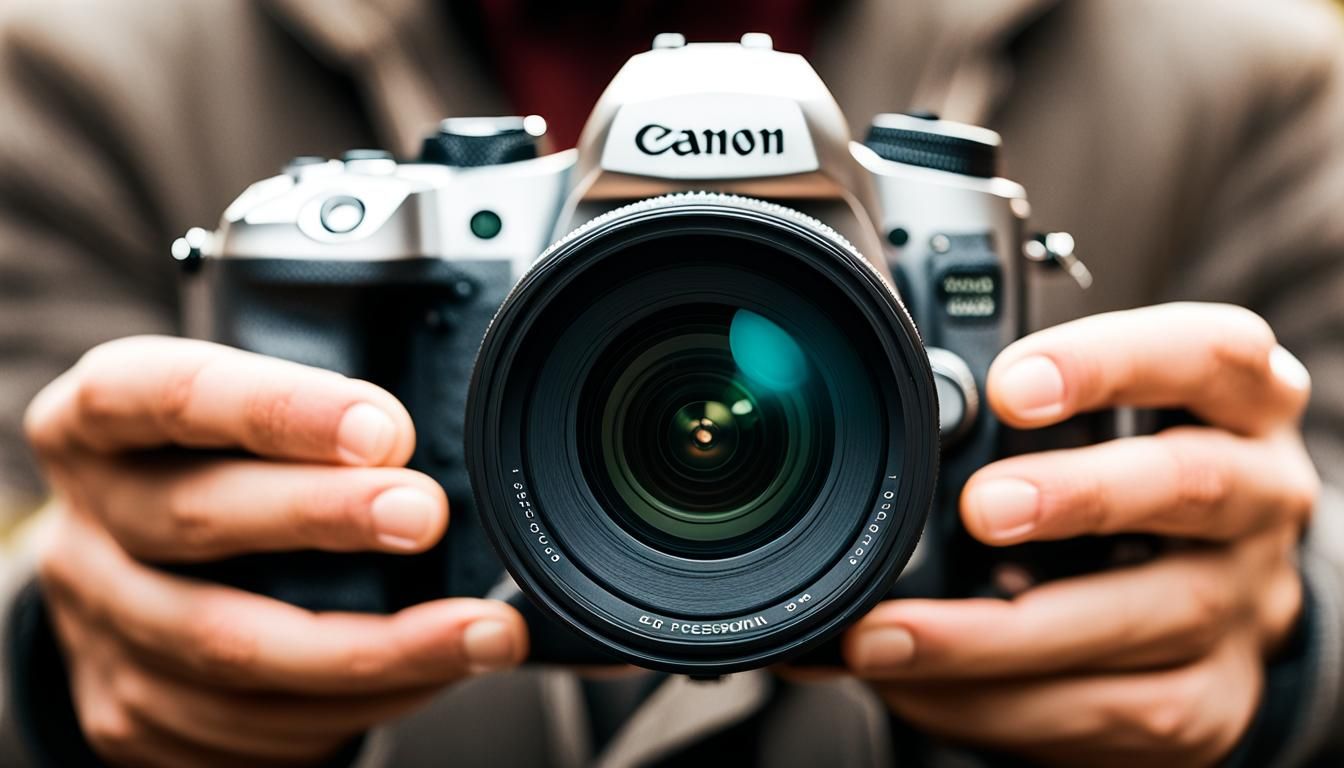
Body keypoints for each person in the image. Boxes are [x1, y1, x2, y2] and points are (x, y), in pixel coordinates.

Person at [1, 0, 1342, 765]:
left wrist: (1286, 639)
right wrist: (73, 647)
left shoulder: (1251, 82)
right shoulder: (77, 71)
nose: (711, 425)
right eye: (685, 419)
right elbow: (34, 512)